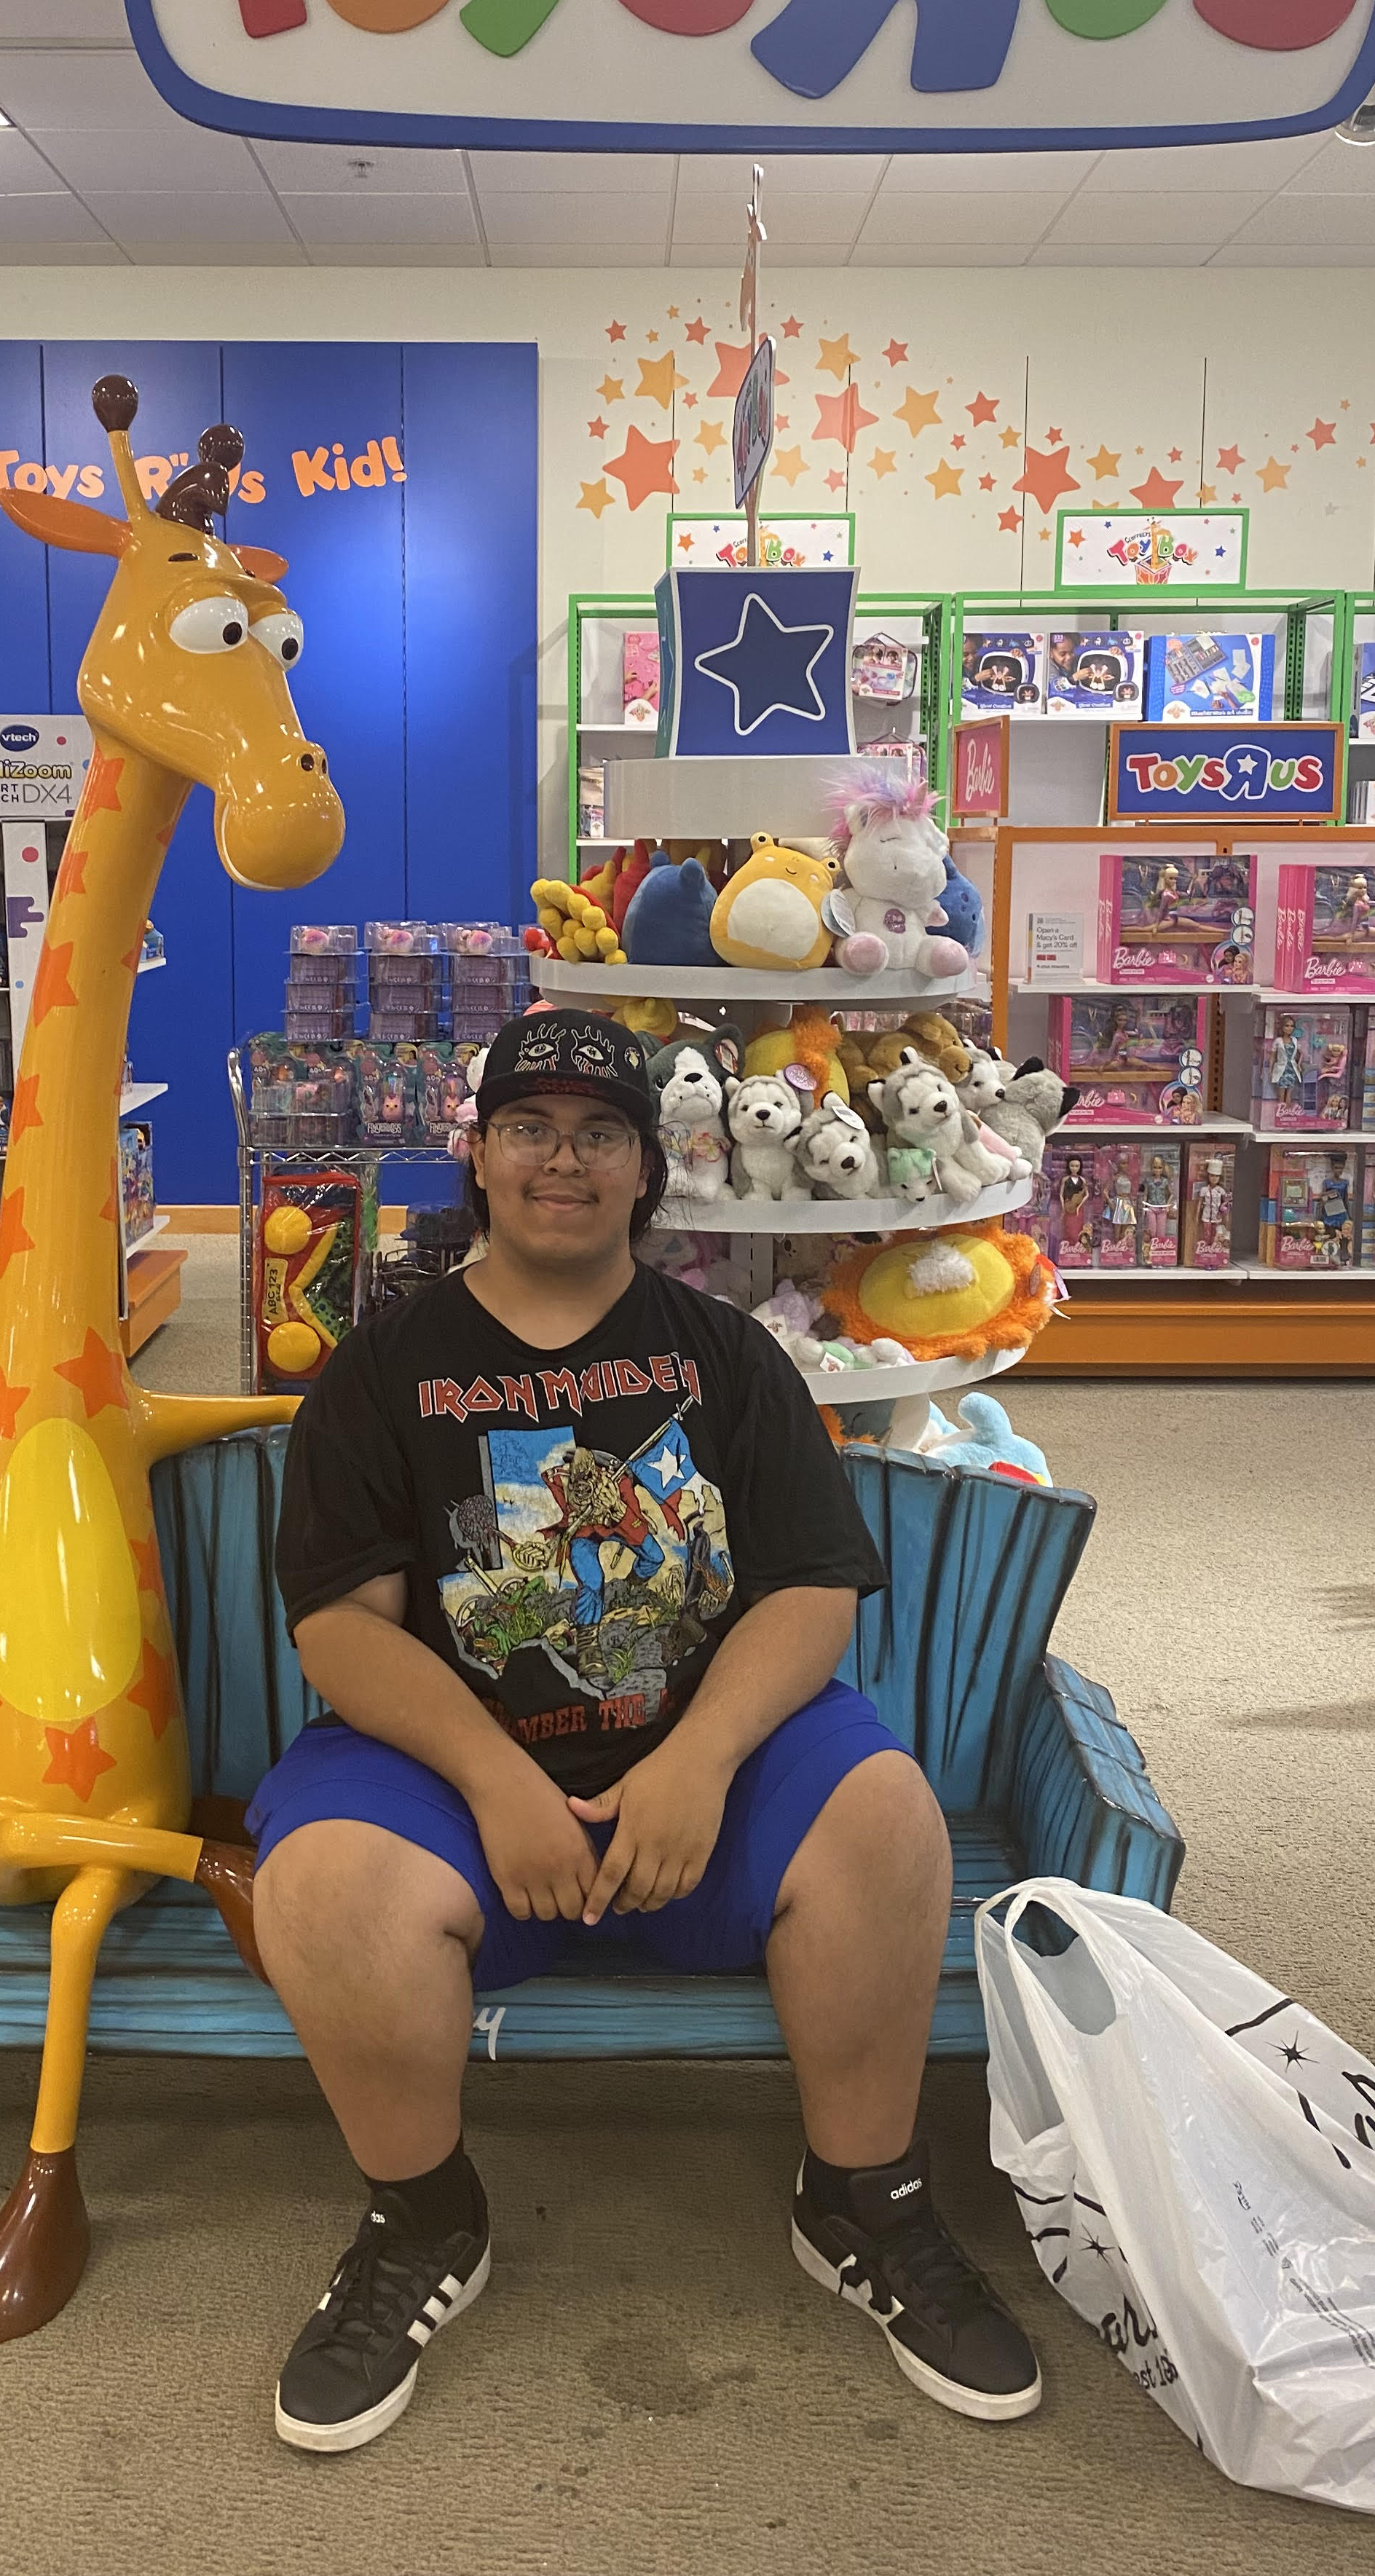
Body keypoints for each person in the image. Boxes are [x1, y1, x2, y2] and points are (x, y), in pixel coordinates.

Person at [248, 1006, 1040, 2454]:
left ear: (645, 1165)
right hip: (457, 1779)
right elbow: (343, 1629)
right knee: (320, 1889)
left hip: (704, 1757)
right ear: (478, 1154)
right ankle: (425, 2219)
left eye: (601, 1132)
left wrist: (697, 1762)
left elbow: (810, 1590)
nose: (567, 1159)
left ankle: (864, 2199)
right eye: (533, 1129)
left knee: (888, 1820)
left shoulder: (729, 1359)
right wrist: (493, 1780)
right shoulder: (382, 1369)